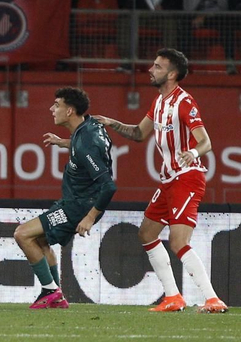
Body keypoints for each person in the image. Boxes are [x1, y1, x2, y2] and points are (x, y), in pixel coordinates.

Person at [93, 49, 227, 313]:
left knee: (178, 241)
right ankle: (173, 297)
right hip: (168, 180)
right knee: (147, 233)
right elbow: (139, 133)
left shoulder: (184, 102)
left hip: (187, 178)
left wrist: (192, 152)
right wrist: (111, 122)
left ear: (172, 73)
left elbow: (206, 142)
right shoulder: (159, 102)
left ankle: (213, 299)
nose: (150, 69)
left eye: (157, 66)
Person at [14, 88, 117, 309]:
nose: (52, 109)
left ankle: (51, 291)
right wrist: (63, 142)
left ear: (69, 111)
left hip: (78, 207)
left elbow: (108, 186)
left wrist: (89, 217)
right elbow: (86, 148)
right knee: (40, 240)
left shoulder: (86, 141)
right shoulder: (88, 127)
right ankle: (55, 297)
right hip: (73, 201)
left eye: (57, 104)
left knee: (22, 234)